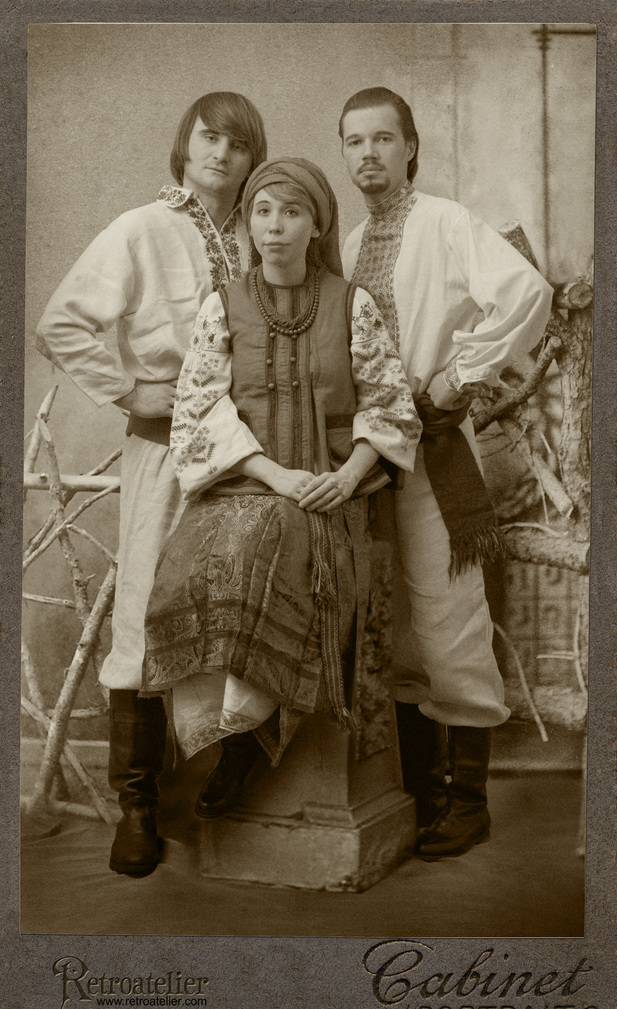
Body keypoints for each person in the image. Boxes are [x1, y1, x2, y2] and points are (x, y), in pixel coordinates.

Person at [141, 157, 422, 828]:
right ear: (249, 223)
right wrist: (274, 475)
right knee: (190, 570)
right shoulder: (224, 304)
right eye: (263, 211)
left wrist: (346, 477)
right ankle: (230, 736)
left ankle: (248, 737)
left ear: (316, 224)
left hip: (332, 486)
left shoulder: (351, 303)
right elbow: (199, 408)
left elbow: (388, 402)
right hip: (244, 480)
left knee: (273, 542)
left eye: (291, 212)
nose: (274, 226)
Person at [35, 92, 267, 877]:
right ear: (184, 144)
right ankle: (136, 806)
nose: (221, 154)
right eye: (209, 137)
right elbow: (63, 322)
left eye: (238, 143)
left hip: (249, 460)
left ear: (252, 157)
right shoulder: (141, 228)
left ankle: (238, 764)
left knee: (243, 609)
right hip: (166, 453)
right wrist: (128, 390)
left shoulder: (263, 231)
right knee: (141, 615)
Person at [339, 87, 553, 859]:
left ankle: (467, 802)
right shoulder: (349, 243)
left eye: (382, 138)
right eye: (354, 141)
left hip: (433, 448)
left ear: (409, 148)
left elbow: (526, 294)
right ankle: (421, 793)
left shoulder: (445, 221)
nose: (368, 153)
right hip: (370, 458)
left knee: (448, 617)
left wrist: (458, 375)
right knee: (390, 620)